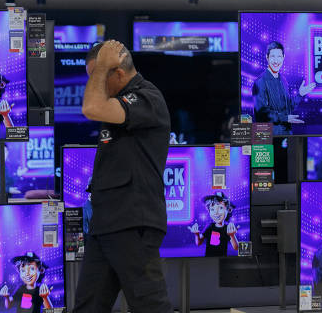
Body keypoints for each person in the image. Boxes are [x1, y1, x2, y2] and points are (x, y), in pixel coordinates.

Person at [72, 40, 172, 313]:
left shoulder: (147, 97)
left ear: (117, 73)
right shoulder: (118, 104)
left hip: (132, 220)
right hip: (105, 223)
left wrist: (103, 64)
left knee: (150, 305)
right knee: (87, 306)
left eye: (99, 76)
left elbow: (91, 108)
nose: (95, 85)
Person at [252, 41, 315, 135]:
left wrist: (300, 95)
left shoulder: (283, 80)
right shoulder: (260, 82)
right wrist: (285, 118)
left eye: (279, 57)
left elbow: (288, 108)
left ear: (283, 58)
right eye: (273, 56)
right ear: (267, 57)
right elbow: (261, 113)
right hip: (268, 138)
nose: (276, 61)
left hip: (286, 135)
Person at [187, 192, 239, 257]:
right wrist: (197, 235)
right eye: (212, 209)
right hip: (208, 260)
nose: (216, 213)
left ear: (228, 210)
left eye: (220, 208)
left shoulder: (227, 228)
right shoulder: (210, 227)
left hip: (222, 261)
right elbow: (198, 243)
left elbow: (236, 247)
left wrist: (232, 235)